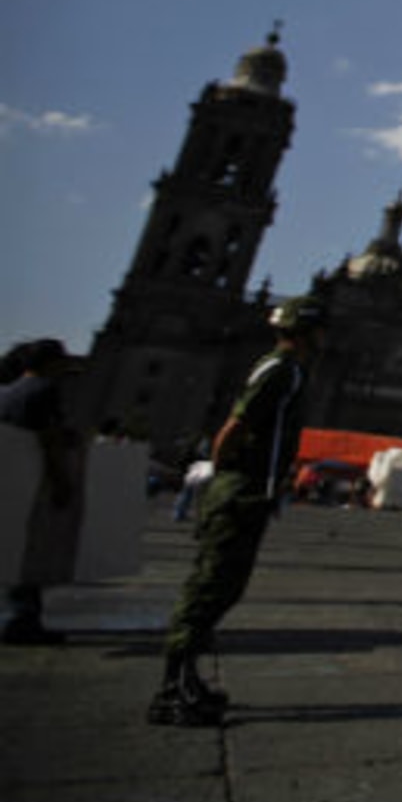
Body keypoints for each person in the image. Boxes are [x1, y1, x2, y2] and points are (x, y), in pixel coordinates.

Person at [147, 296, 328, 726]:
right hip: (240, 491)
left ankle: (185, 680)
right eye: (321, 329)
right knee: (211, 586)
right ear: (308, 332)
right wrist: (230, 473)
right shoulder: (279, 369)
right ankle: (173, 689)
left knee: (224, 586)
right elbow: (234, 427)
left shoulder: (291, 370)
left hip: (250, 492)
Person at [1, 338, 86, 645]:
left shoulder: (7, 391)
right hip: (27, 480)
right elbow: (48, 440)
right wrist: (61, 480)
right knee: (27, 550)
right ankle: (23, 619)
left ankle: (21, 615)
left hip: (6, 477)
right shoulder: (44, 391)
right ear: (51, 363)